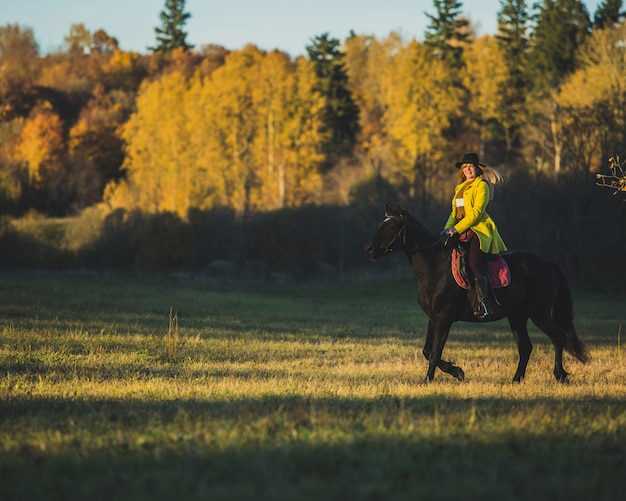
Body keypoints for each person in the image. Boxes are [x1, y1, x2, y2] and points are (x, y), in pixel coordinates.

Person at [440, 152, 507, 319]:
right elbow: (454, 213)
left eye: (471, 166)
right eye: (465, 167)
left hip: (478, 229)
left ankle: (485, 303)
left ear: (477, 169)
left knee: (473, 262)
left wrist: (456, 229)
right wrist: (447, 228)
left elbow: (476, 213)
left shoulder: (481, 186)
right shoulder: (460, 188)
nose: (468, 169)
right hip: (461, 229)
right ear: (462, 171)